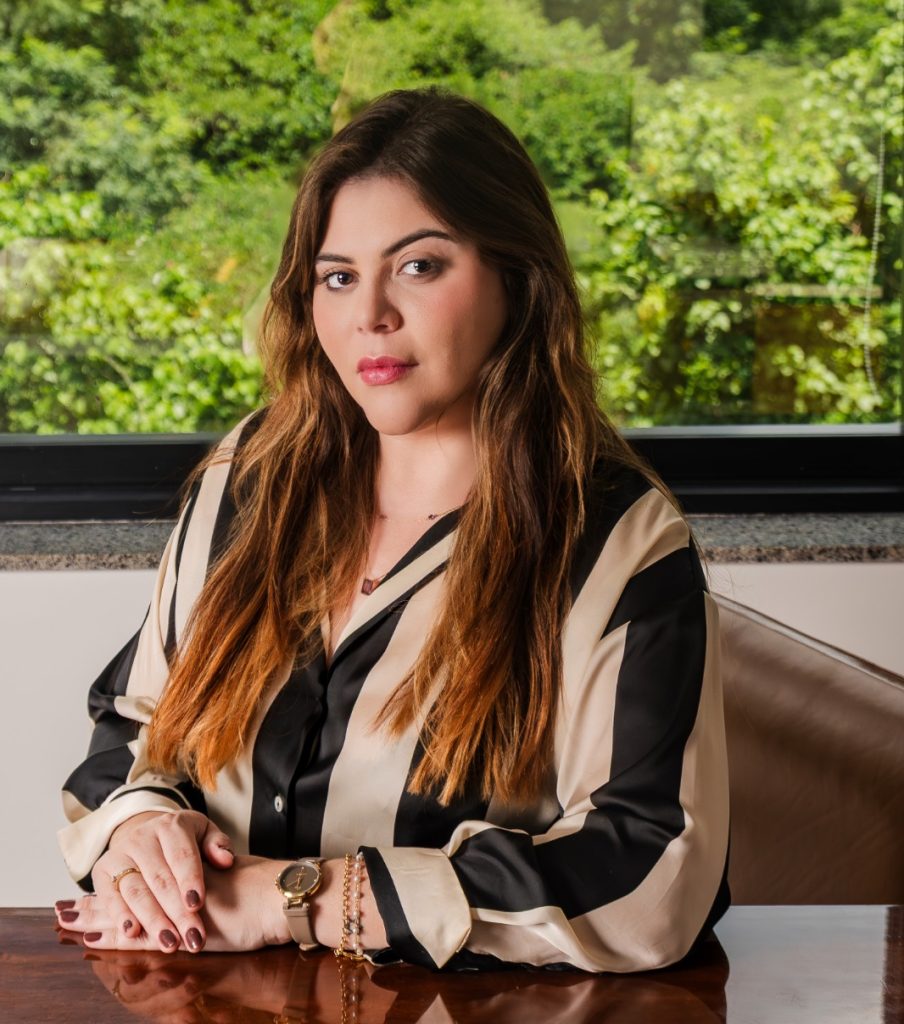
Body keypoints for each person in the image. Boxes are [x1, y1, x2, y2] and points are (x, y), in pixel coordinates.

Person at [55, 87, 730, 972]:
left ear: (517, 277)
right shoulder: (248, 478)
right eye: (337, 276)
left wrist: (296, 901)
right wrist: (141, 829)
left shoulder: (618, 542)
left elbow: (652, 872)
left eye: (419, 265)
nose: (369, 313)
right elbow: (134, 722)